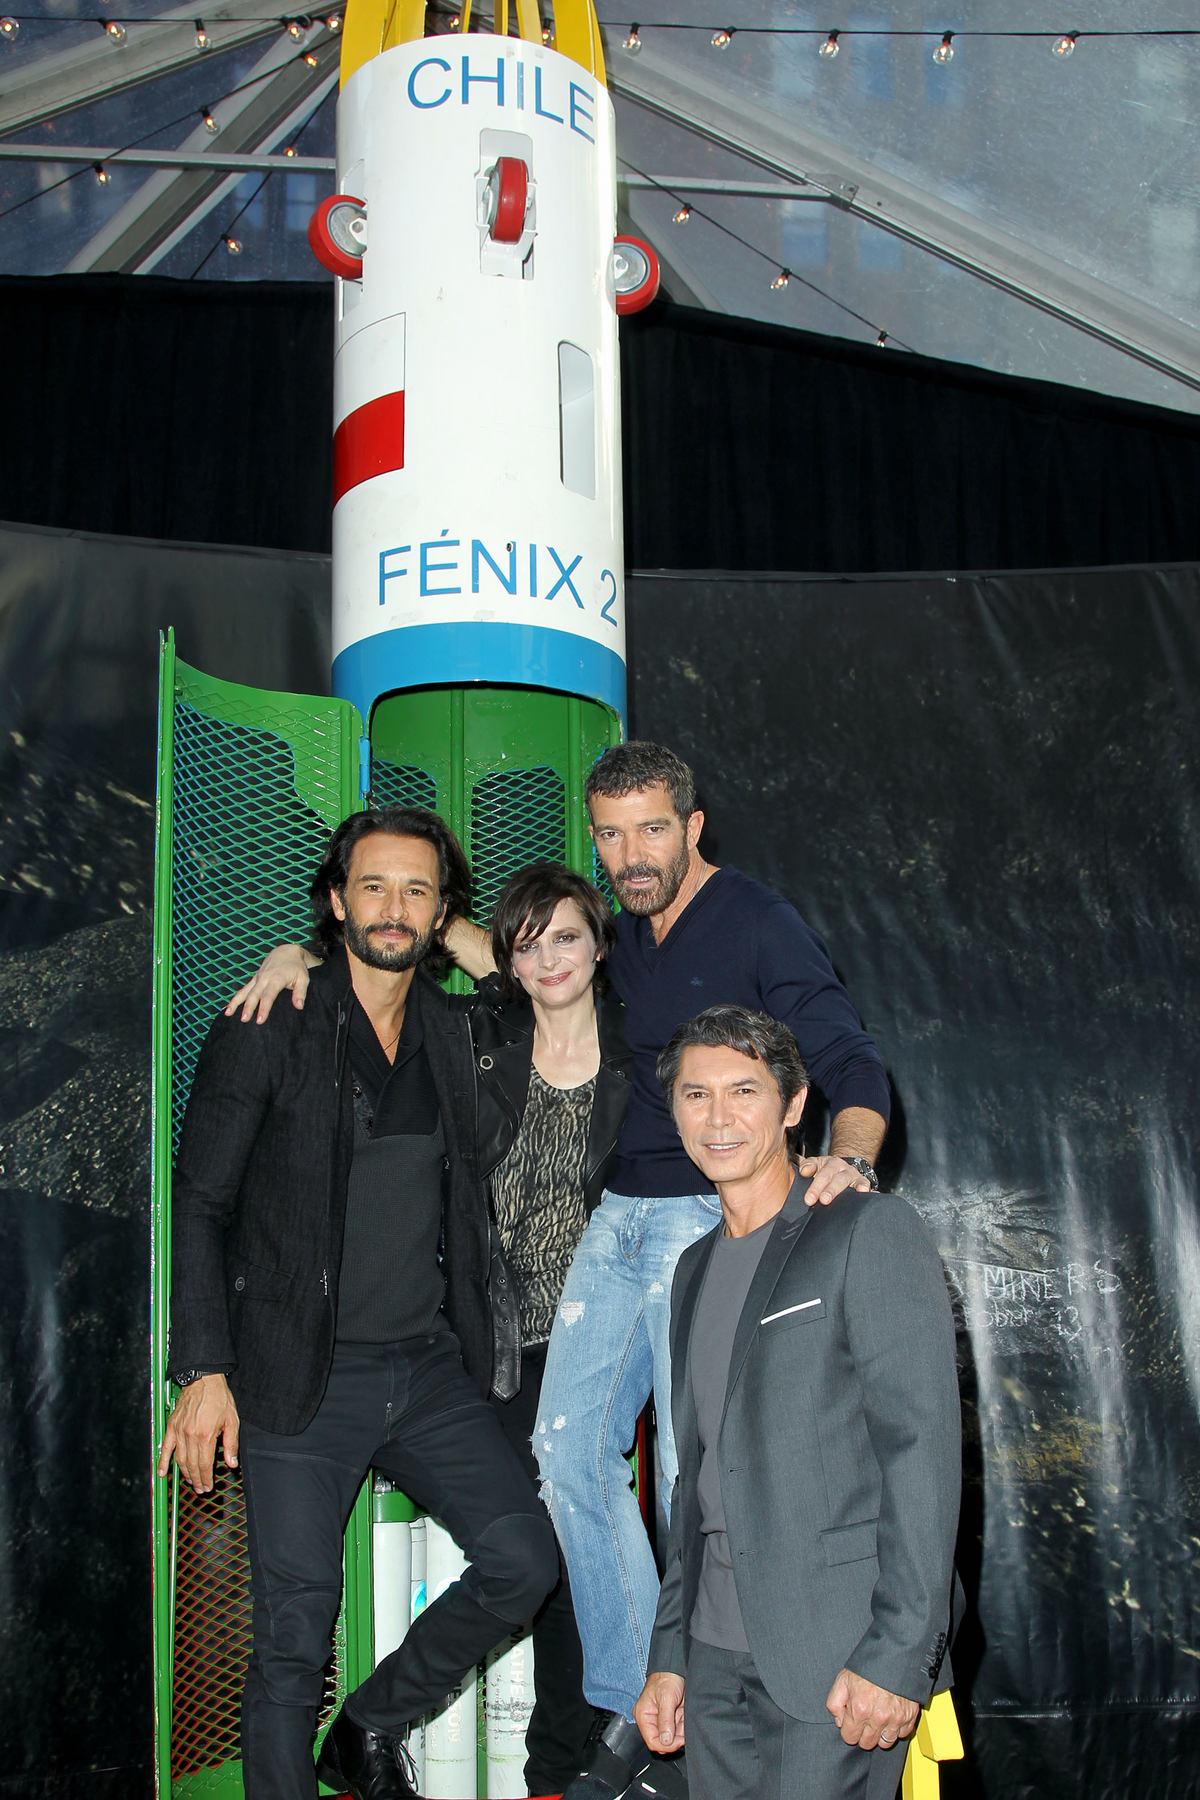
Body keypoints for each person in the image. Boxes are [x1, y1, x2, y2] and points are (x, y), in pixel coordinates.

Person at [230, 741, 892, 1800]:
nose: (633, 853)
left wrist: (849, 1154)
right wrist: (311, 953)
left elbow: (850, 1060)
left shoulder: (753, 924)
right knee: (567, 1461)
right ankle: (642, 1705)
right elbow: (476, 944)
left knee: (687, 1473)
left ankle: (685, 1712)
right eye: (612, 833)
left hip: (698, 1225)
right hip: (576, 1262)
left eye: (652, 830)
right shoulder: (599, 958)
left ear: (694, 825)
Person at [158, 806, 558, 1800]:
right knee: (296, 1629)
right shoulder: (271, 1019)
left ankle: (371, 1725)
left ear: (440, 912)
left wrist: (464, 939)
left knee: (523, 1559)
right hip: (297, 1371)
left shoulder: (451, 1031)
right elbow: (199, 1197)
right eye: (373, 886)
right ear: (336, 901)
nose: (394, 907)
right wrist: (203, 1369)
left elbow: (542, 1011)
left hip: (422, 1366)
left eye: (418, 890)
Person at [635, 1004, 960, 1800]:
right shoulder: (690, 1272)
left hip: (838, 1662)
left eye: (743, 1091)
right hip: (711, 1665)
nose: (717, 1118)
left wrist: (897, 1654)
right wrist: (670, 1654)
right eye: (695, 1094)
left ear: (792, 1104)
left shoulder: (865, 1231)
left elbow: (921, 1452)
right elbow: (695, 1480)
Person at [467, 861, 632, 1797]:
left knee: (570, 1561)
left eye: (566, 935)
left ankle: (557, 1770)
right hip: (491, 1345)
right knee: (525, 1556)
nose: (550, 957)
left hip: (592, 1346)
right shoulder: (480, 1040)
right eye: (529, 943)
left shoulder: (643, 1052)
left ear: (598, 944)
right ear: (511, 963)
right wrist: (298, 954)